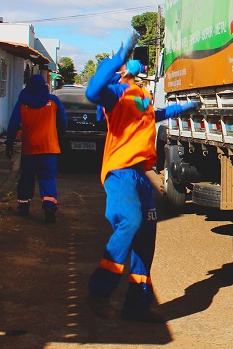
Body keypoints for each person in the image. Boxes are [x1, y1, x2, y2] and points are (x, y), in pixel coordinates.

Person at [85, 34, 199, 323]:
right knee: (130, 221)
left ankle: (137, 306)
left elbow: (155, 113)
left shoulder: (141, 95)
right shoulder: (115, 94)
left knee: (146, 237)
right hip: (120, 172)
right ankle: (99, 291)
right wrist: (122, 54)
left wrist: (183, 108)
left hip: (140, 174)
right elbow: (93, 90)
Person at [5, 73, 68, 223]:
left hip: (30, 148)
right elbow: (63, 121)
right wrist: (59, 137)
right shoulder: (53, 101)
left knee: (27, 178)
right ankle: (49, 205)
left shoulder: (23, 101)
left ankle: (24, 206)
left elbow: (13, 123)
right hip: (49, 148)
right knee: (47, 178)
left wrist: (9, 143)